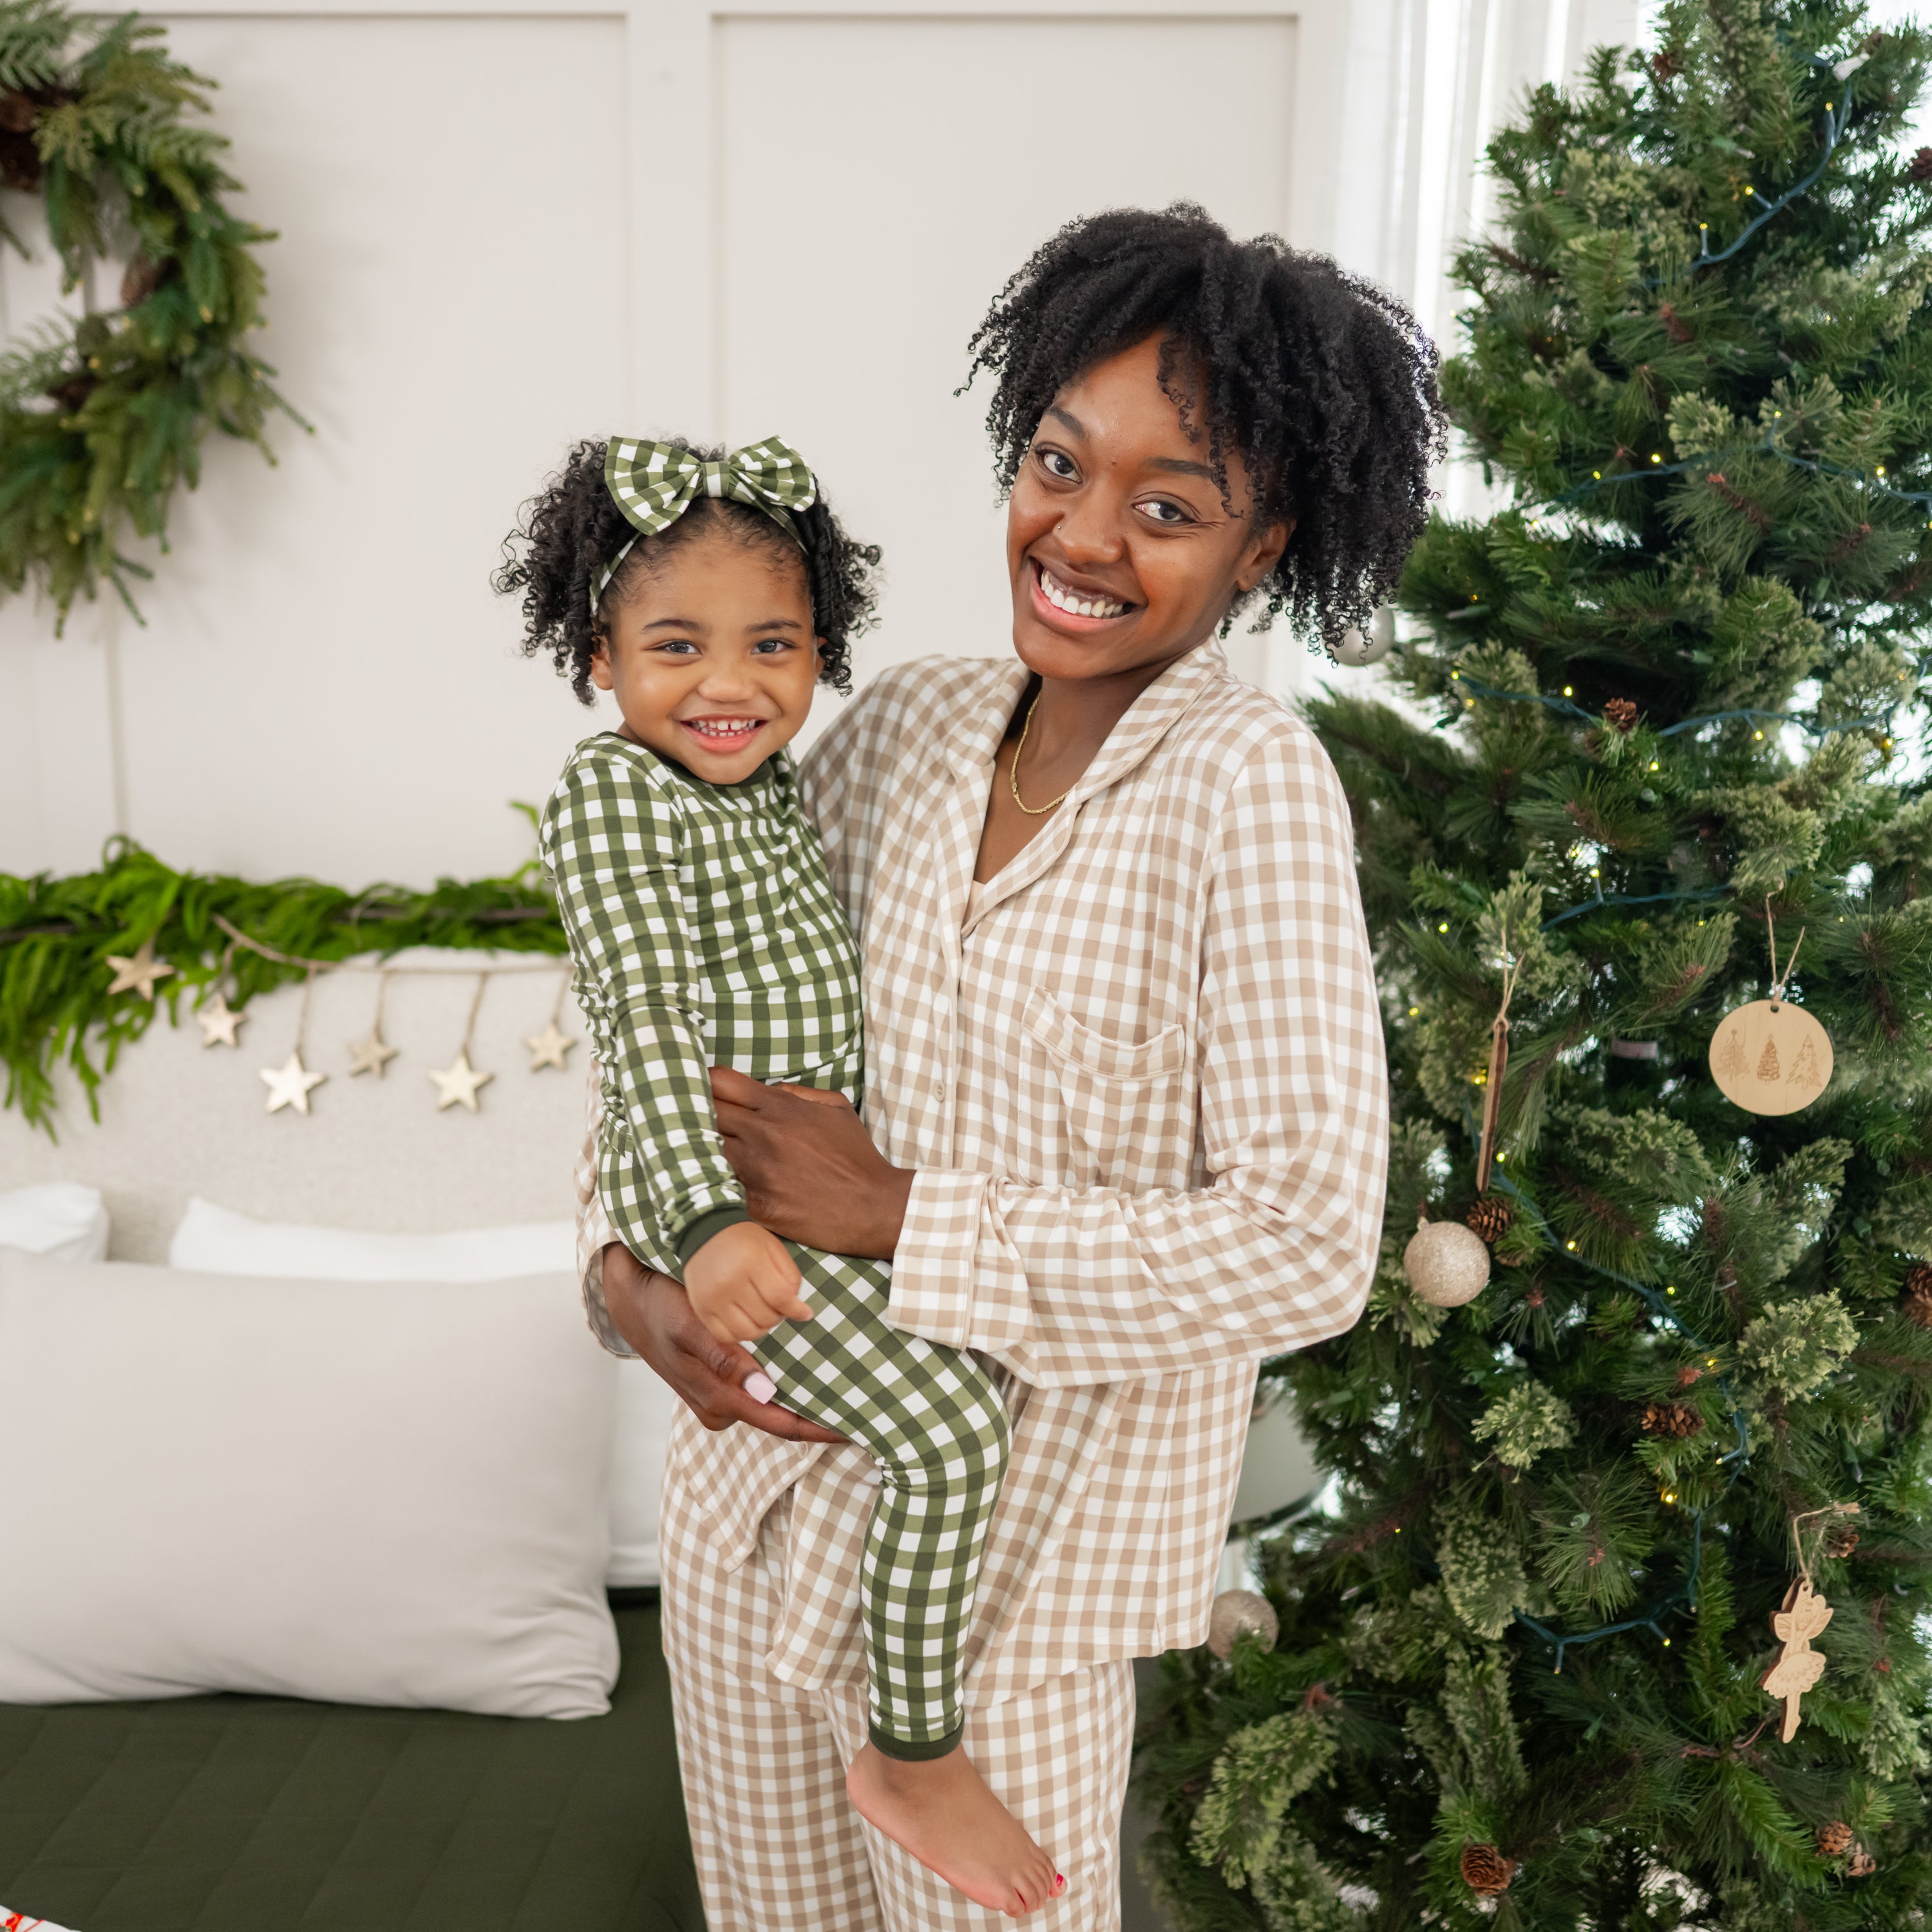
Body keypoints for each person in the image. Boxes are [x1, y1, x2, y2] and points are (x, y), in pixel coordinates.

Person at [583, 204, 1445, 1930]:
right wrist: (623, 1271)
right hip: (747, 1524)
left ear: (1265, 543)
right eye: (1061, 462)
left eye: (1170, 506)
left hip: (1010, 1620)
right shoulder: (896, 721)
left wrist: (905, 1212)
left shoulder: (1248, 790)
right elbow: (674, 1003)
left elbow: (1305, 1239)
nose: (1086, 536)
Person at [502, 437, 1062, 1915]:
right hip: (718, 1202)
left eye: (774, 642)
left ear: (825, 648)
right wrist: (695, 1232)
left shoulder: (771, 791)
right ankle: (914, 1746)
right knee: (949, 1430)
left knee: (950, 1411)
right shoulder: (617, 795)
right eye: (674, 646)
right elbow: (644, 1029)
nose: (728, 681)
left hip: (790, 1201)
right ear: (597, 656)